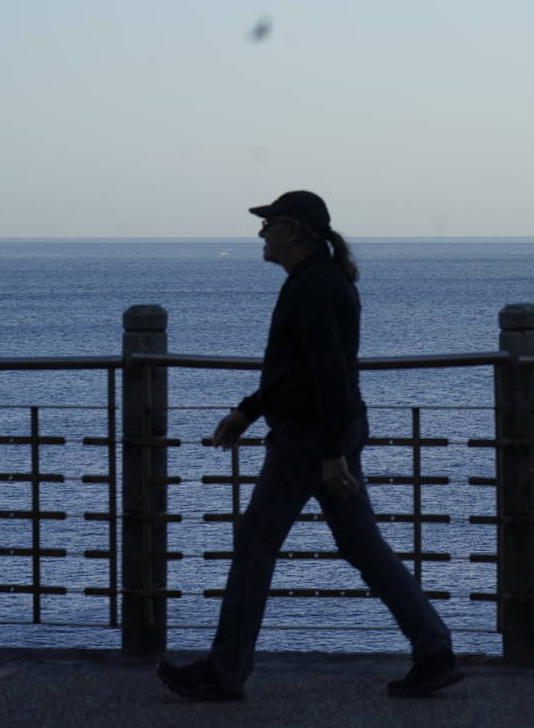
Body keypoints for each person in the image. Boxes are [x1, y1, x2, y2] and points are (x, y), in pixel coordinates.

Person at [157, 190, 460, 701]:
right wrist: (249, 411)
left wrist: (328, 452)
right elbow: (300, 370)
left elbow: (327, 374)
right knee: (361, 544)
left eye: (268, 223)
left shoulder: (312, 287)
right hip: (323, 434)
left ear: (292, 229)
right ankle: (435, 651)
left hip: (308, 440)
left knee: (254, 545)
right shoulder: (318, 279)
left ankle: (225, 671)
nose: (260, 232)